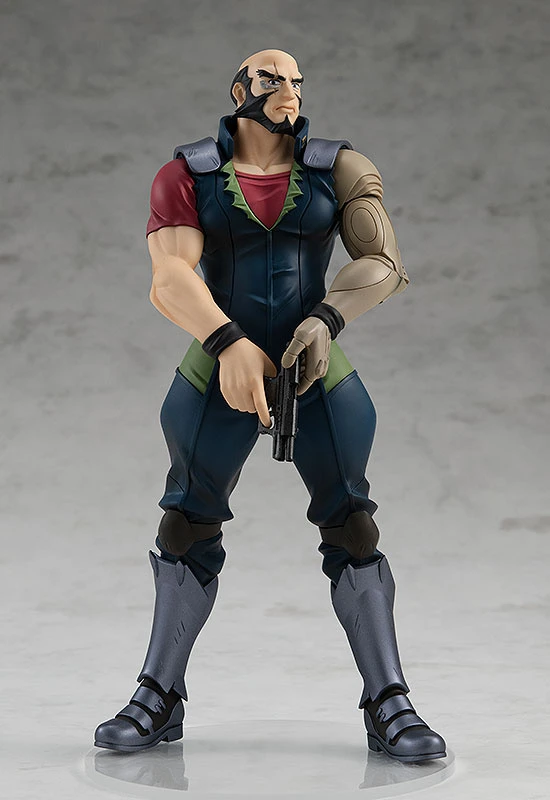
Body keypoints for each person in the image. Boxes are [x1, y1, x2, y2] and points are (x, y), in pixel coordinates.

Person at [94, 49, 446, 763]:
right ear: (239, 90)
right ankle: (158, 695)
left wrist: (327, 319)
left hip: (314, 362)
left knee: (352, 523)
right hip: (218, 364)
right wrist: (226, 341)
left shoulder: (338, 167)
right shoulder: (188, 174)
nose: (289, 90)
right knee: (186, 522)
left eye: (296, 81)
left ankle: (389, 700)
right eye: (272, 78)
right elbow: (169, 275)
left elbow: (382, 262)